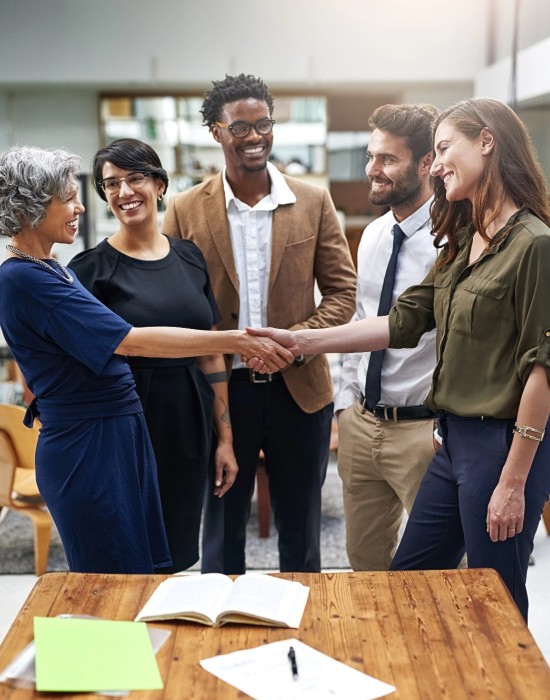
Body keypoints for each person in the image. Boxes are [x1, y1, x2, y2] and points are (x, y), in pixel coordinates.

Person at [248, 97, 550, 621]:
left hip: (500, 445)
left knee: (491, 601)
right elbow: (402, 320)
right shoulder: (465, 239)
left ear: (487, 141)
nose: (436, 164)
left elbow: (543, 369)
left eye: (442, 149)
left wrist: (514, 480)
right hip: (453, 440)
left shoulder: (535, 244)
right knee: (406, 583)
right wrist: (303, 342)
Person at [0, 145, 292, 575]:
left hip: (122, 434)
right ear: (32, 206)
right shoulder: (27, 278)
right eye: (69, 197)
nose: (82, 205)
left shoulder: (47, 267)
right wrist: (237, 340)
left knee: (143, 570)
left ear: (158, 185)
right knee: (114, 582)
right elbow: (129, 341)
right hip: (91, 444)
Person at [163, 73, 356, 574]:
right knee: (222, 531)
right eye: (240, 127)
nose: (254, 136)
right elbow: (171, 303)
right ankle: (222, 635)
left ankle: (304, 632)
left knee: (302, 532)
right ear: (216, 131)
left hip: (301, 389)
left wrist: (294, 343)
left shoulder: (313, 202)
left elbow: (342, 293)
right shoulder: (185, 209)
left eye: (263, 124)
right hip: (221, 391)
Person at [69, 139, 235, 573]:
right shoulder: (90, 270)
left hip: (188, 415)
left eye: (135, 178)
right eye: (111, 184)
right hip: (126, 420)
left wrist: (226, 440)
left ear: (159, 184)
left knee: (177, 548)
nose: (124, 192)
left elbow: (211, 354)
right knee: (127, 552)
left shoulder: (189, 256)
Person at [334, 103, 439, 571]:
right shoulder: (374, 234)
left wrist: (442, 430)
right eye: (371, 156)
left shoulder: (455, 240)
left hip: (422, 432)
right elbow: (361, 318)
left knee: (440, 570)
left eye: (387, 160)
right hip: (361, 425)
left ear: (426, 164)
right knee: (365, 563)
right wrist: (345, 404)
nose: (372, 171)